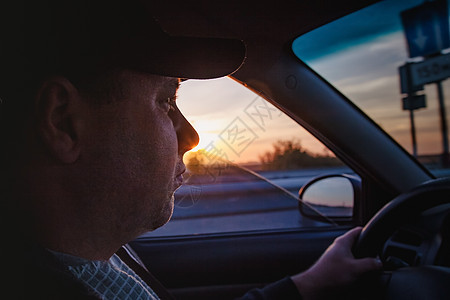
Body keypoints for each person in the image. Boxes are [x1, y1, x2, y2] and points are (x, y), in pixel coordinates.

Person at [0, 0, 382, 299]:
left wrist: (305, 287)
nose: (192, 137)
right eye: (166, 101)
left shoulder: (94, 258)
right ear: (63, 121)